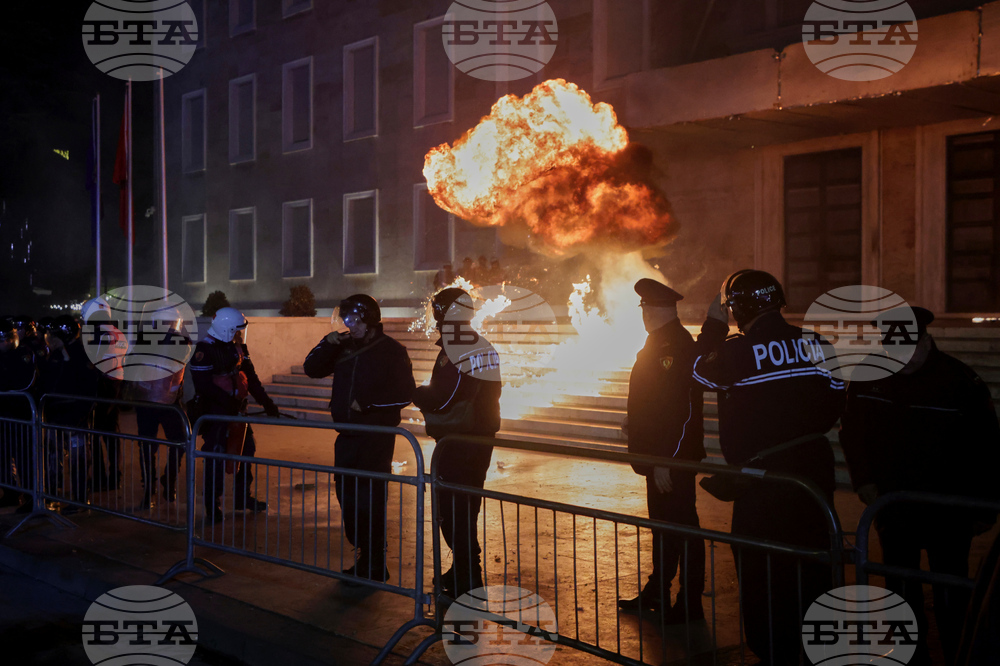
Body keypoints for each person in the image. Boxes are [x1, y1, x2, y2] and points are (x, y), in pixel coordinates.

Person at [692, 270, 845, 665]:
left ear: (739, 308)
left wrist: (712, 324)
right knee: (813, 565)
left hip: (762, 482)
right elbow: (839, 397)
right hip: (813, 474)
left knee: (761, 568)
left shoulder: (736, 351)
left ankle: (773, 651)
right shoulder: (817, 343)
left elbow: (693, 371)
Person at [840, 306, 1000, 666]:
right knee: (900, 588)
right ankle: (909, 658)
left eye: (908, 349)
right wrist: (863, 480)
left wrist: (986, 507)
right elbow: (852, 433)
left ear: (927, 341)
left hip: (948, 509)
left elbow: (988, 446)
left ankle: (958, 652)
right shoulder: (868, 376)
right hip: (894, 506)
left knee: (951, 591)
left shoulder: (960, 381)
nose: (901, 359)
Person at [303, 294, 415, 583]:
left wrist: (368, 403)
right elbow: (311, 369)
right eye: (346, 320)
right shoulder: (343, 346)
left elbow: (405, 393)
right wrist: (326, 344)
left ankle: (376, 561)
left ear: (367, 319)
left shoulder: (391, 350)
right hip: (348, 435)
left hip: (375, 437)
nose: (348, 325)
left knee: (370, 498)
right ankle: (364, 554)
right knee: (348, 498)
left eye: (352, 319)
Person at [618, 279, 706, 622]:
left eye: (644, 309)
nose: (642, 315)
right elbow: (654, 403)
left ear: (653, 310)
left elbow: (680, 410)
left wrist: (666, 460)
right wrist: (635, 424)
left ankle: (689, 600)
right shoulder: (659, 343)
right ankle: (659, 591)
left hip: (670, 459)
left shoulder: (674, 346)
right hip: (659, 458)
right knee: (665, 527)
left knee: (684, 527)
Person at [414, 288, 502, 599]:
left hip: (465, 440)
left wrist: (416, 394)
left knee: (456, 509)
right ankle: (463, 569)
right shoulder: (465, 344)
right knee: (458, 508)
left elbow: (447, 396)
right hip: (468, 437)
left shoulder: (463, 347)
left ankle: (469, 577)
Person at [189, 307, 276, 523]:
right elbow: (203, 385)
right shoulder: (204, 350)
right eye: (237, 331)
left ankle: (242, 498)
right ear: (226, 329)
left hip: (236, 411)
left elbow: (251, 378)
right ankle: (212, 505)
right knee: (215, 456)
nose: (239, 334)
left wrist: (268, 403)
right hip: (215, 413)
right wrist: (228, 403)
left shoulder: (238, 348)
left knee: (247, 451)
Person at [39, 315, 101, 513]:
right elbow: (48, 382)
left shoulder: (81, 354)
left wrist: (82, 413)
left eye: (53, 335)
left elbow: (89, 387)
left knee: (79, 459)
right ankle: (52, 495)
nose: (49, 338)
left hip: (75, 416)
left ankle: (79, 500)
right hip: (56, 415)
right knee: (52, 458)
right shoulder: (55, 354)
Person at [131, 307, 190, 509]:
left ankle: (156, 487)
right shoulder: (180, 342)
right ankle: (160, 485)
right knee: (176, 442)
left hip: (153, 402)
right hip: (164, 403)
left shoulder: (146, 339)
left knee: (154, 445)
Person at [81, 298, 127, 492]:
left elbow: (91, 364)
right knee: (111, 435)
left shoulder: (95, 334)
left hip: (100, 385)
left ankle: (99, 478)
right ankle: (115, 477)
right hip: (116, 384)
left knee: (94, 433)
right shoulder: (118, 333)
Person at [0, 317, 38, 512]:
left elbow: (24, 382)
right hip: (5, 414)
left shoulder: (24, 354)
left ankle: (33, 498)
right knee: (3, 456)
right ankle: (11, 493)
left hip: (21, 414)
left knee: (25, 458)